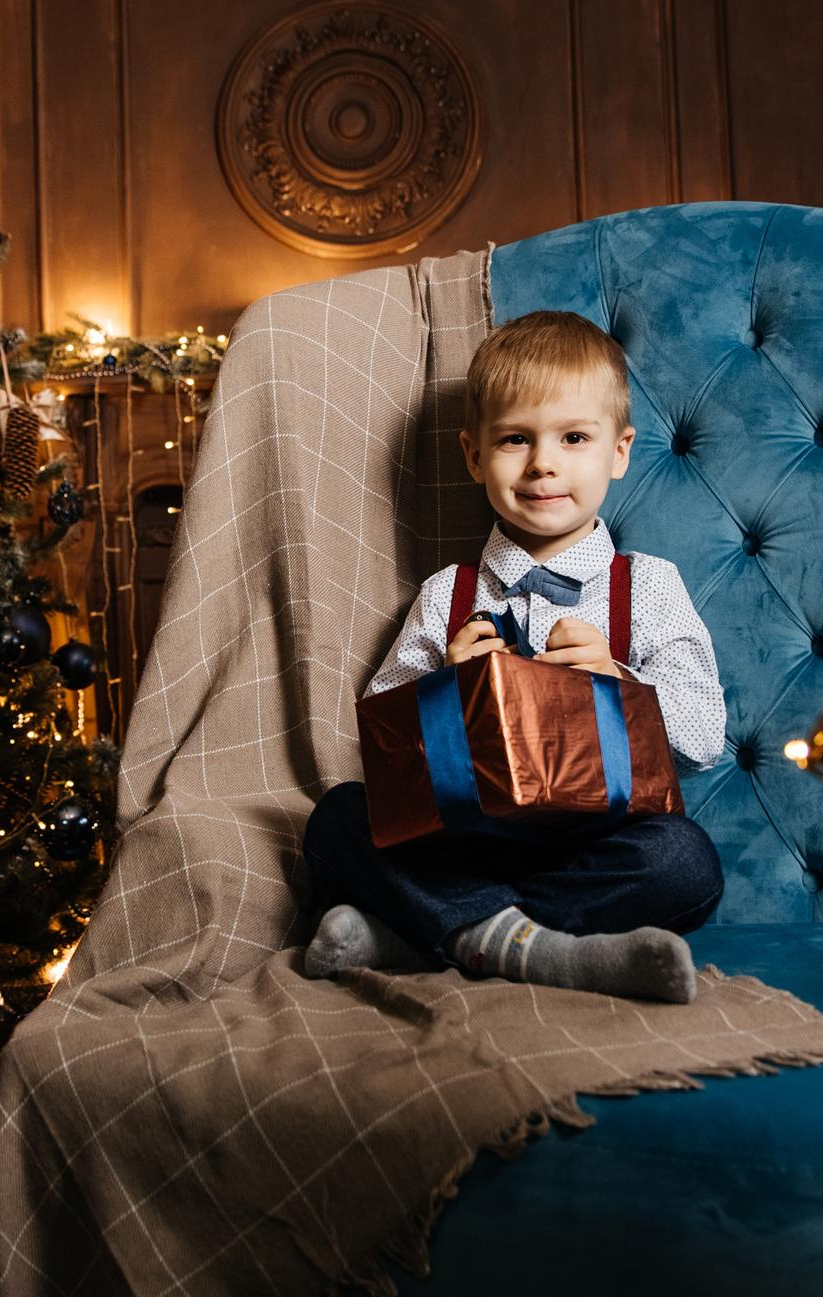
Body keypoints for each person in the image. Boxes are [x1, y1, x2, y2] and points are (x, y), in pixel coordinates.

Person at [300, 309, 728, 1001]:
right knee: (337, 820)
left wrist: (619, 683)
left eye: (574, 437)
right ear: (475, 455)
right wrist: (446, 688)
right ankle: (546, 949)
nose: (544, 463)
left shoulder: (647, 585)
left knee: (686, 862)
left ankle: (425, 935)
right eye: (515, 440)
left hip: (597, 845)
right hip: (465, 841)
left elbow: (706, 734)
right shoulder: (449, 594)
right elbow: (383, 743)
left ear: (619, 452)